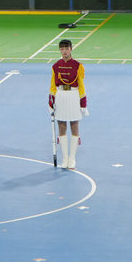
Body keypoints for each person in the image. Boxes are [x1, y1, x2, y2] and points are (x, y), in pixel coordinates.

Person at [48, 39, 88, 170]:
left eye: (66, 48)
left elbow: (81, 86)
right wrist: (51, 100)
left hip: (73, 95)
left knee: (74, 125)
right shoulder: (55, 66)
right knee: (61, 125)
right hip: (61, 95)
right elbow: (53, 86)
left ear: (71, 49)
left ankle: (72, 158)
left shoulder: (78, 66)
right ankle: (65, 158)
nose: (64, 51)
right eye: (62, 49)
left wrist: (83, 103)